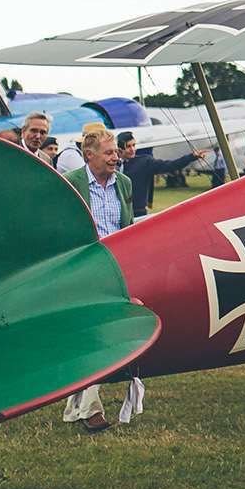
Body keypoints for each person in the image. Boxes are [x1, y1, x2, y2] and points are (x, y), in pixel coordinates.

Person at [61, 130, 143, 432]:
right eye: (109, 153)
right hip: (84, 269)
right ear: (89, 155)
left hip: (115, 268)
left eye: (116, 152)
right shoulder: (71, 183)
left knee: (99, 335)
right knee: (96, 334)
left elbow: (128, 225)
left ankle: (76, 407)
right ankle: (91, 410)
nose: (115, 157)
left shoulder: (124, 183)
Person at [118, 131, 206, 220]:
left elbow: (170, 165)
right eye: (128, 146)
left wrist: (191, 157)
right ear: (120, 149)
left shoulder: (145, 162)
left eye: (134, 145)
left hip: (138, 213)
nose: (132, 149)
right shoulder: (114, 165)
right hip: (118, 213)